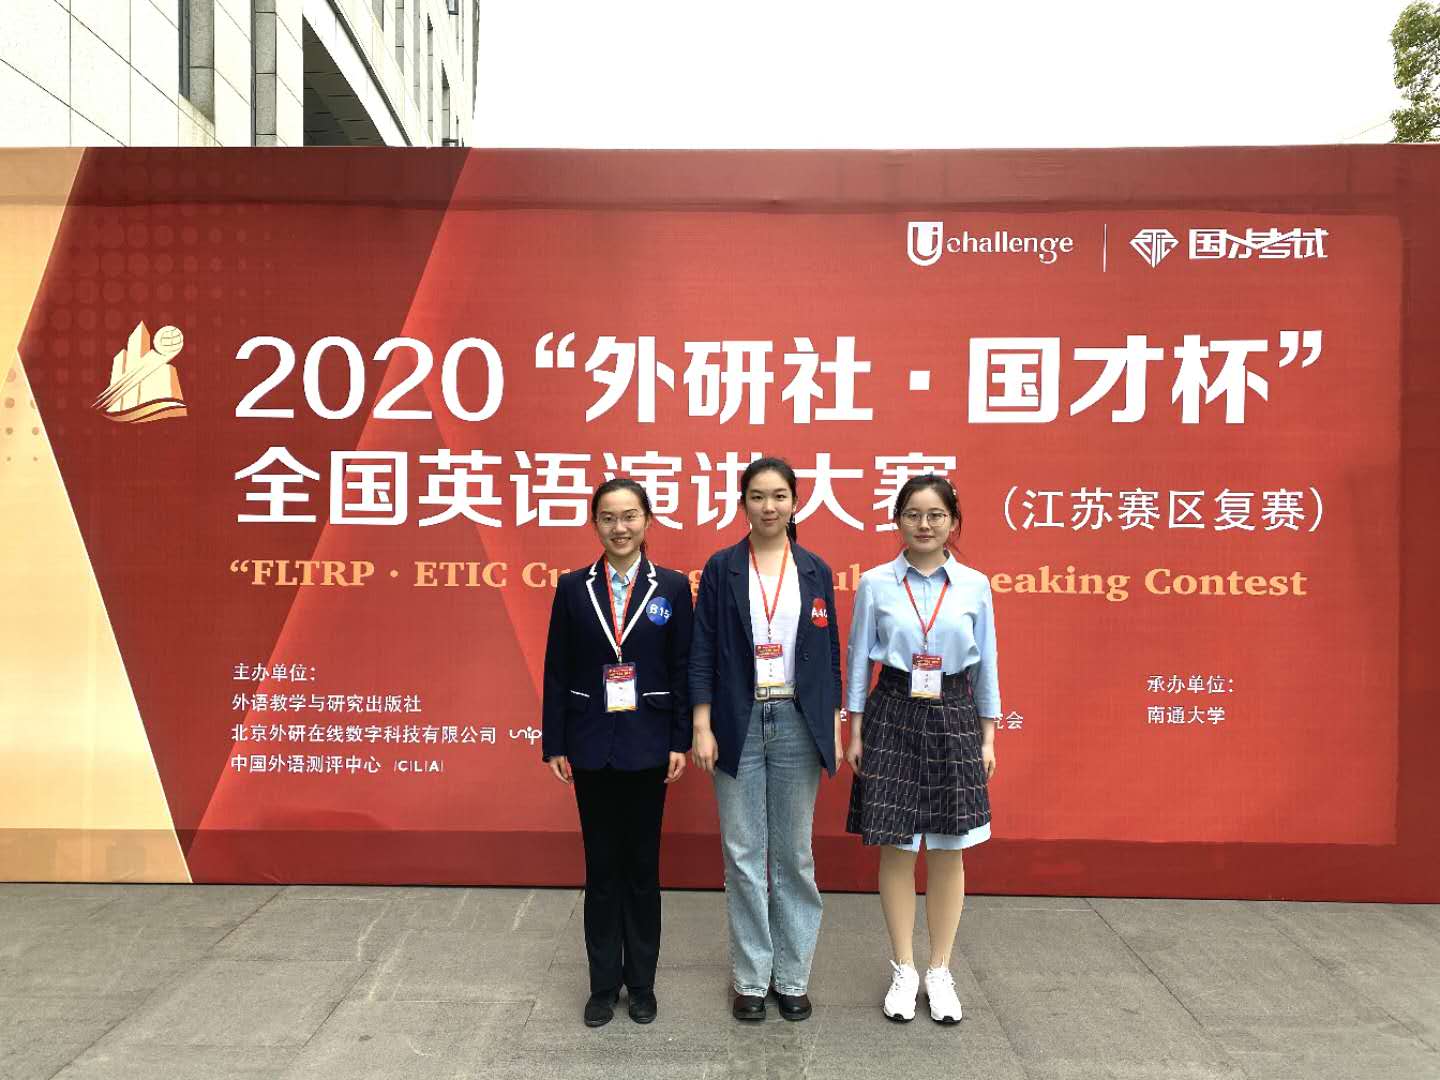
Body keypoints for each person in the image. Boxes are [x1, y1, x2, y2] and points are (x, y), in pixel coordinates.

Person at [689, 456, 843, 1023]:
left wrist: (833, 724)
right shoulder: (723, 567)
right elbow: (702, 650)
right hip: (738, 721)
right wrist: (702, 724)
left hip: (798, 721)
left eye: (779, 496)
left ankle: (793, 976)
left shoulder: (815, 569)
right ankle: (752, 979)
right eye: (757, 496)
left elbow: (829, 654)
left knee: (795, 855)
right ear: (743, 504)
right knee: (743, 853)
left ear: (796, 502)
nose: (769, 506)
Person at [843, 474, 1000, 1025]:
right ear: (898, 520)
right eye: (913, 514)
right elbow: (858, 660)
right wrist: (855, 731)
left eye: (936, 515)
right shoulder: (876, 583)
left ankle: (939, 969)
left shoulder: (975, 585)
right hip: (892, 711)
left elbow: (986, 664)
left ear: (953, 522)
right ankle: (904, 968)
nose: (924, 524)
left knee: (950, 847)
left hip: (954, 712)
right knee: (897, 846)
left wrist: (988, 735)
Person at [541, 478, 694, 1028]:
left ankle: (643, 984)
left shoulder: (671, 587)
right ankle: (603, 985)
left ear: (648, 521)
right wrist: (555, 742)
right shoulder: (572, 587)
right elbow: (557, 667)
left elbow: (682, 667)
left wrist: (679, 739)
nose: (620, 527)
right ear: (595, 524)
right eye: (608, 517)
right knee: (602, 869)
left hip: (649, 742)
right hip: (590, 742)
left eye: (630, 516)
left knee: (642, 869)